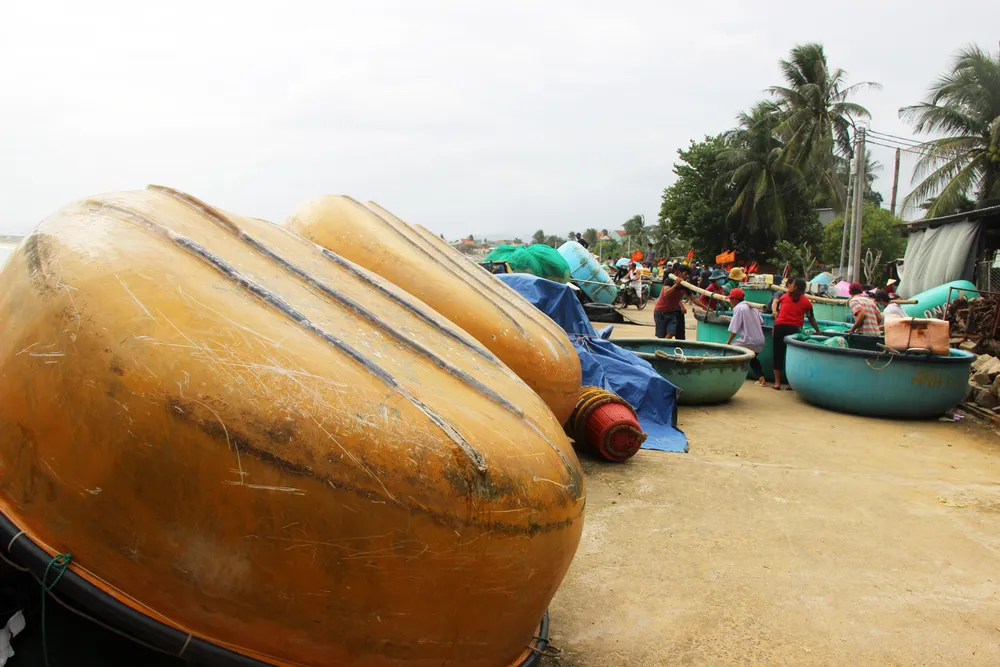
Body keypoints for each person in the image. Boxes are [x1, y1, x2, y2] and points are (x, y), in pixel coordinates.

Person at [772, 277, 820, 390]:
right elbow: (811, 318)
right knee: (791, 355)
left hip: (780, 327)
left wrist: (775, 325)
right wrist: (818, 330)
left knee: (777, 354)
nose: (789, 286)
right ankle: (790, 384)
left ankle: (777, 383)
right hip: (794, 329)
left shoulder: (783, 297)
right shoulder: (807, 303)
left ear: (796, 287)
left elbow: (778, 313)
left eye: (792, 284)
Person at [725, 288, 767, 386]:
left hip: (748, 340)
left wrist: (728, 342)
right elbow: (762, 321)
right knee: (752, 358)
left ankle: (729, 376)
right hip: (760, 340)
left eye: (731, 299)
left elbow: (734, 329)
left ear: (735, 299)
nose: (730, 301)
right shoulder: (753, 307)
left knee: (730, 351)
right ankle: (761, 379)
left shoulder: (739, 308)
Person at [654, 264, 691, 340]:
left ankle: (664, 346)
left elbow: (693, 299)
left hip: (671, 313)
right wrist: (676, 285)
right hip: (660, 312)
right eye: (685, 274)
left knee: (672, 332)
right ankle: (662, 349)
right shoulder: (669, 280)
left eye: (688, 274)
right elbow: (666, 293)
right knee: (661, 336)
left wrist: (705, 307)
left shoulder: (685, 285)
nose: (687, 276)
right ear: (679, 273)